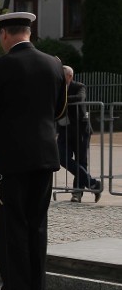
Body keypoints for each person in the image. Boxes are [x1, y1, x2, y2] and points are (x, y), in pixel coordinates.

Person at [0, 11, 67, 290]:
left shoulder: (1, 66)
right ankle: (36, 289)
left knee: (11, 223)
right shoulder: (53, 62)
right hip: (45, 156)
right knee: (37, 223)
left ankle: (15, 289)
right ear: (29, 32)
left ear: (4, 35)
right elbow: (58, 109)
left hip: (13, 158)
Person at [58, 65, 101, 202]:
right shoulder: (58, 88)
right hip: (64, 129)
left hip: (80, 129)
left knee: (81, 161)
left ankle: (77, 193)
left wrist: (61, 100)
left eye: (61, 75)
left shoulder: (79, 86)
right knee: (61, 157)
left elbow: (79, 98)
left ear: (69, 76)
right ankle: (93, 183)